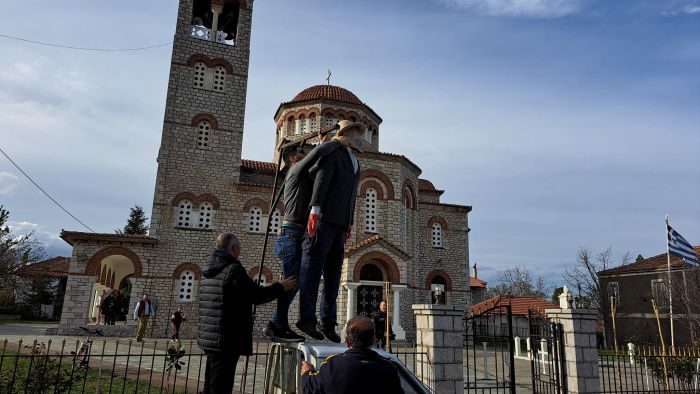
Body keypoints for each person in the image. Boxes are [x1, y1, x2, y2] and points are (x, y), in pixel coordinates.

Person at [198, 232, 297, 394]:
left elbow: (224, 300)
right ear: (234, 247)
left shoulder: (209, 270)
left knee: (210, 385)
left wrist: (243, 315)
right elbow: (255, 295)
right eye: (239, 247)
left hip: (210, 338)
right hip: (226, 340)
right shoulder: (233, 269)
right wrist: (281, 286)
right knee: (220, 388)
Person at [297, 120, 365, 342]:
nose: (357, 136)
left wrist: (349, 223)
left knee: (334, 274)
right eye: (354, 132)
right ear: (344, 132)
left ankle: (328, 322)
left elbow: (352, 196)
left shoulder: (353, 160)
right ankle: (306, 319)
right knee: (312, 268)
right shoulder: (333, 153)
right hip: (324, 220)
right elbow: (322, 179)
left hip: (340, 224)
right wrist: (315, 210)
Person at [265, 143, 312, 342]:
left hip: (295, 235)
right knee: (291, 282)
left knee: (295, 282)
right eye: (301, 152)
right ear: (293, 158)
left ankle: (278, 323)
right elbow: (313, 158)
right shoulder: (294, 170)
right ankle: (277, 325)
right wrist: (326, 142)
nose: (305, 155)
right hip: (290, 235)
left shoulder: (303, 177)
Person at [301, 316, 404, 394]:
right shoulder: (389, 369)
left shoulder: (333, 365)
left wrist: (306, 372)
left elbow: (311, 388)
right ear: (373, 340)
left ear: (346, 341)